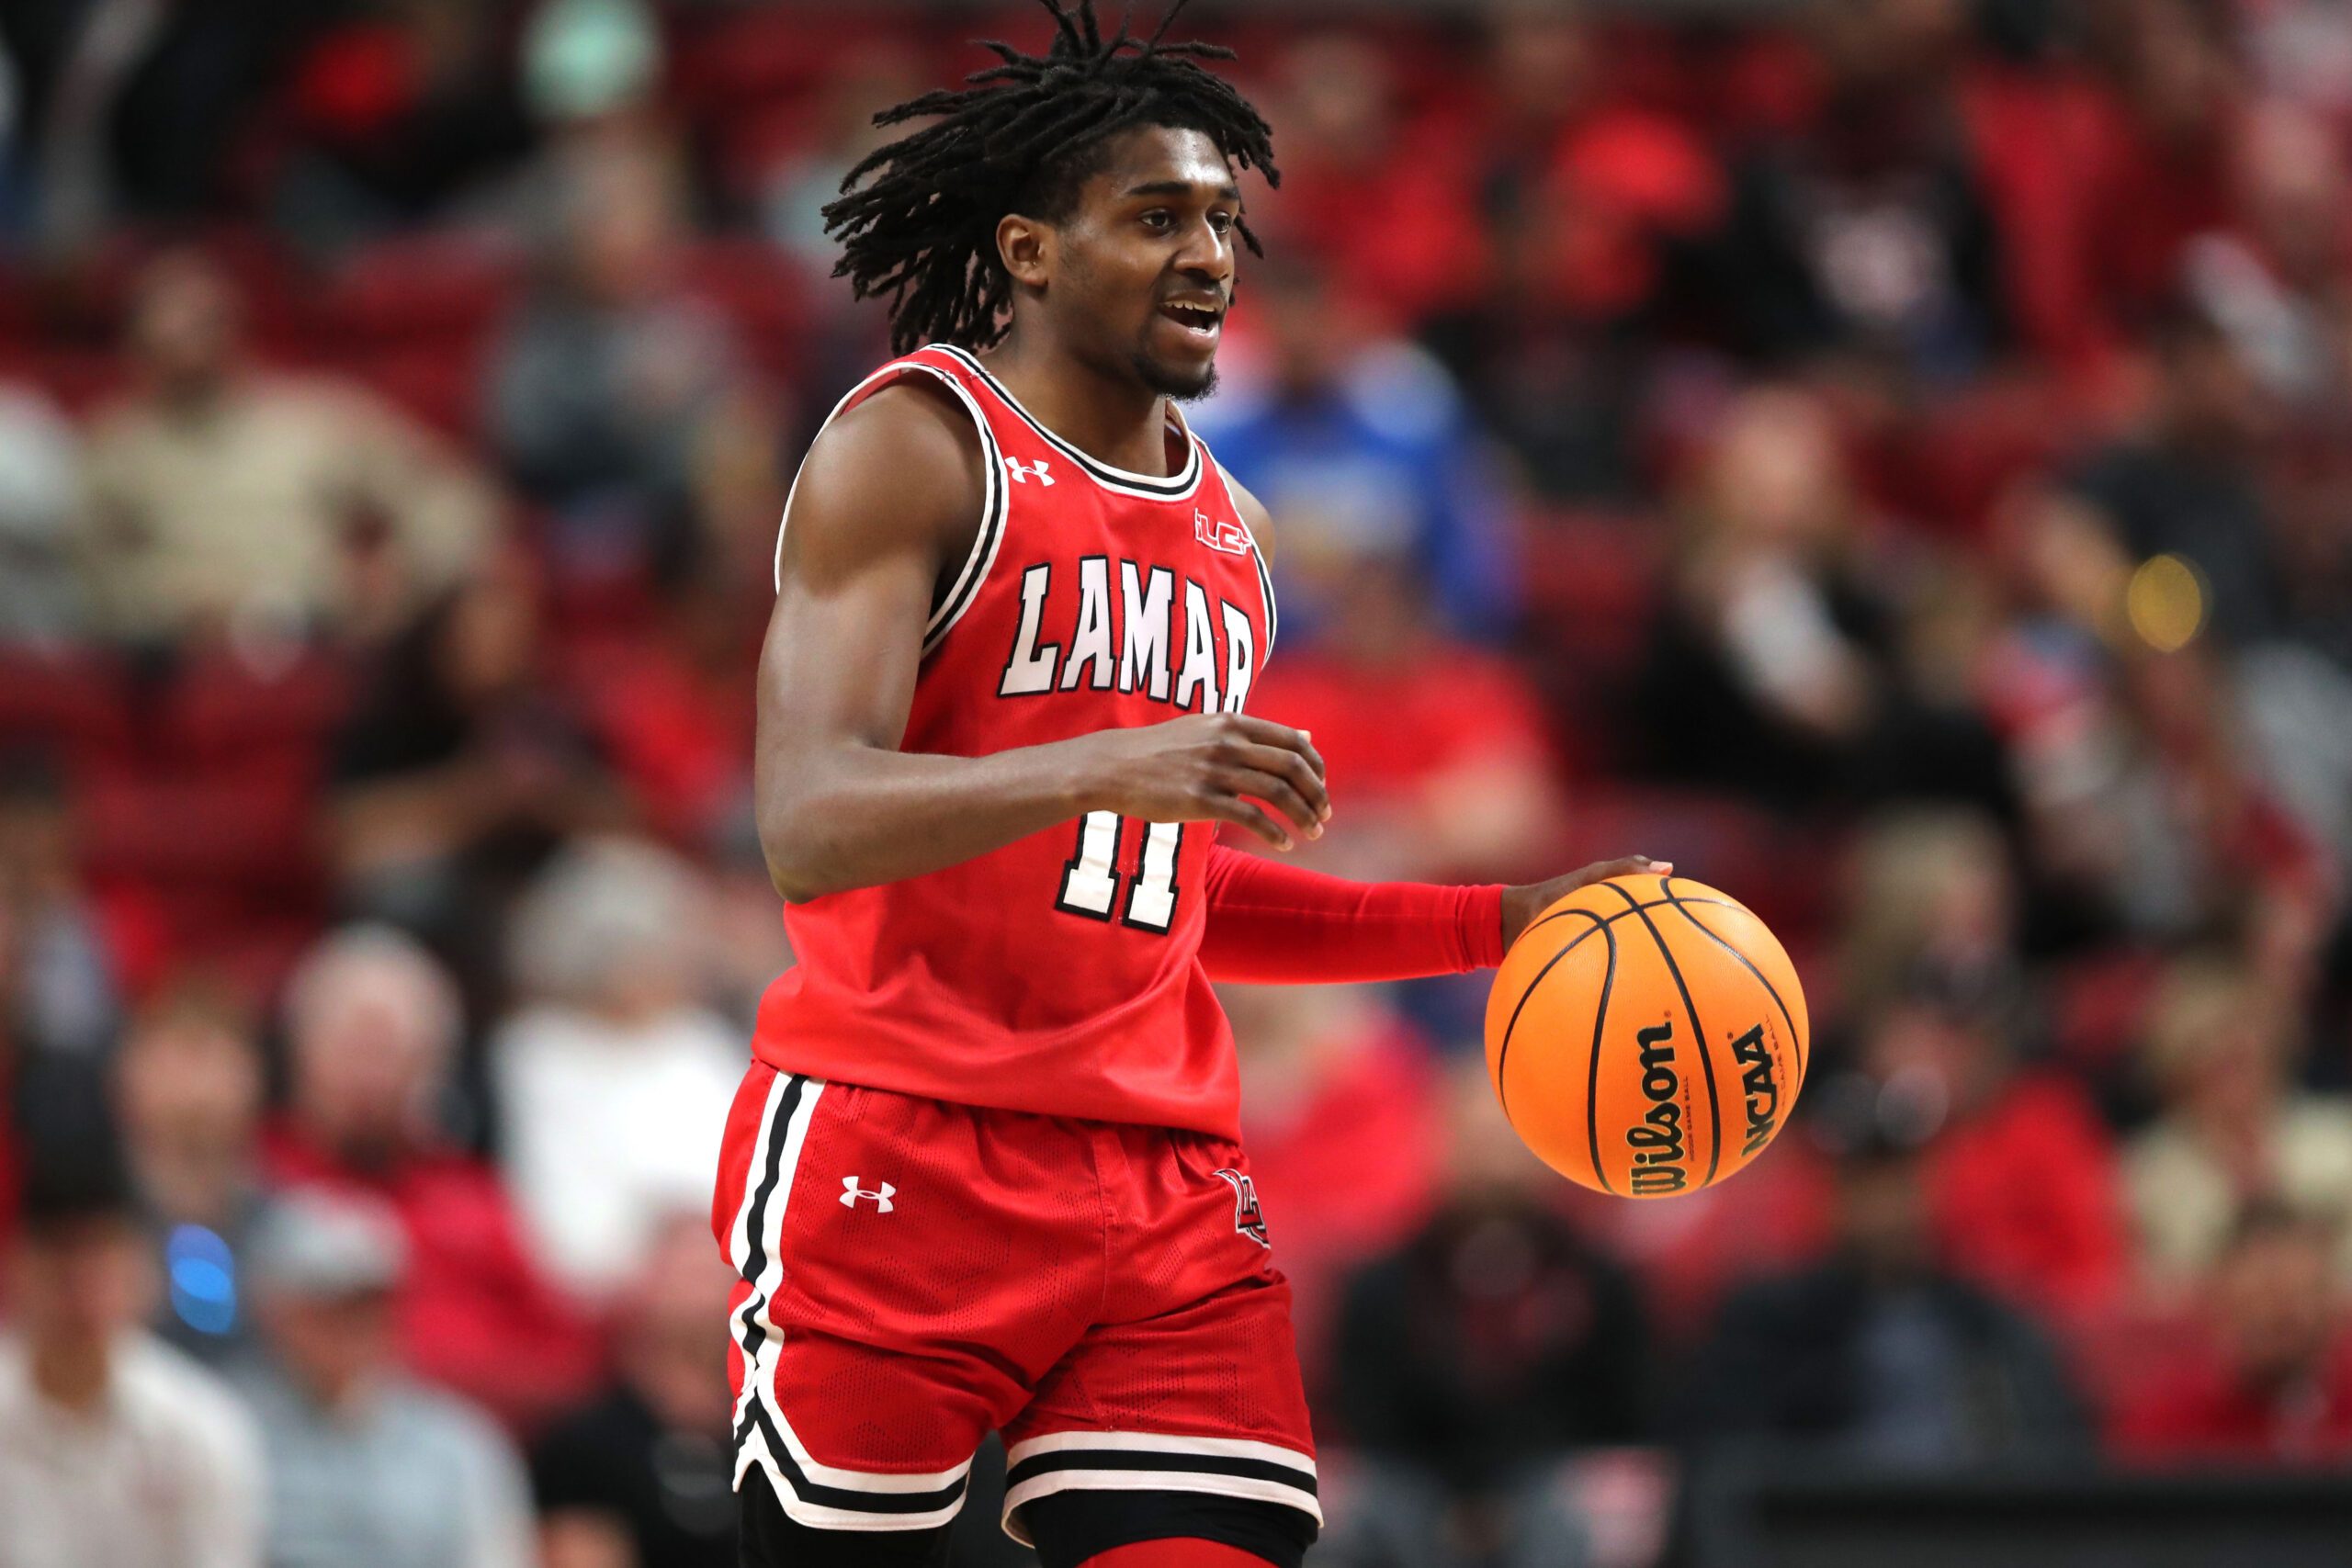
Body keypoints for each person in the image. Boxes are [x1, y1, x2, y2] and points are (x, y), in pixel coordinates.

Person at [722, 6, 1661, 1565]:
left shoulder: (1236, 533)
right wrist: (1112, 759)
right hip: (904, 1139)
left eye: (1225, 219)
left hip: (1156, 1173)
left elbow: (1162, 891)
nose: (1211, 253)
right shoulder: (919, 447)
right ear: (1029, 250)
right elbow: (806, 819)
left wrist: (1503, 920)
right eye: (1156, 217)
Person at [235, 1189, 537, 1568]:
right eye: (328, 1304)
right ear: (274, 1310)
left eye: (368, 1303)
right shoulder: (226, 1427)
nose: (353, 1325)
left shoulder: (460, 1443)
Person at [0, 1142, 265, 1568]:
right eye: (60, 1261)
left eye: (99, 1259)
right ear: (17, 1268)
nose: (80, 1291)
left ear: (143, 1273)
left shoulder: (202, 1428)